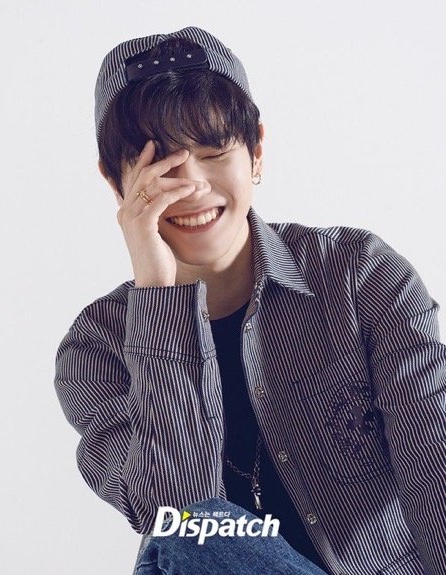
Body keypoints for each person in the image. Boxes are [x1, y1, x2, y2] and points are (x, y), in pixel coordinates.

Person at [54, 26, 446, 574]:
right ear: (115, 181)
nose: (192, 186)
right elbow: (176, 516)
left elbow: (435, 468)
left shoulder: (359, 276)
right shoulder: (94, 350)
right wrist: (160, 300)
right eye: (161, 166)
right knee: (192, 528)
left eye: (215, 152)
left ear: (256, 151)